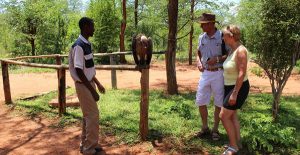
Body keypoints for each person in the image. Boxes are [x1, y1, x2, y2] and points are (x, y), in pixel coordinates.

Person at [69, 17, 105, 155]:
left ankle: (88, 144)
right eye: (92, 26)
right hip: (83, 86)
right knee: (92, 115)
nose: (93, 29)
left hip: (88, 83)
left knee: (88, 116)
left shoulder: (86, 44)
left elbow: (87, 69)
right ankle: (89, 149)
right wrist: (92, 91)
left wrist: (97, 83)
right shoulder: (78, 46)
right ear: (85, 27)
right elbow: (78, 70)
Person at [195, 13, 228, 141]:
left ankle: (215, 129)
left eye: (203, 24)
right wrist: (198, 62)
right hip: (205, 73)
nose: (201, 27)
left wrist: (218, 59)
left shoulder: (223, 37)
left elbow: (229, 54)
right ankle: (204, 128)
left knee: (218, 102)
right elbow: (198, 52)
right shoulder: (201, 37)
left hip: (219, 73)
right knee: (201, 100)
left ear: (211, 24)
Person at [219, 25, 250, 155]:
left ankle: (233, 147)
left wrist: (234, 94)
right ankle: (237, 142)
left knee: (224, 116)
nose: (222, 37)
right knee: (232, 116)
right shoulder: (232, 49)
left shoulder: (241, 51)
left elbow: (242, 73)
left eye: (224, 35)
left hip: (238, 87)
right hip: (229, 86)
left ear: (231, 36)